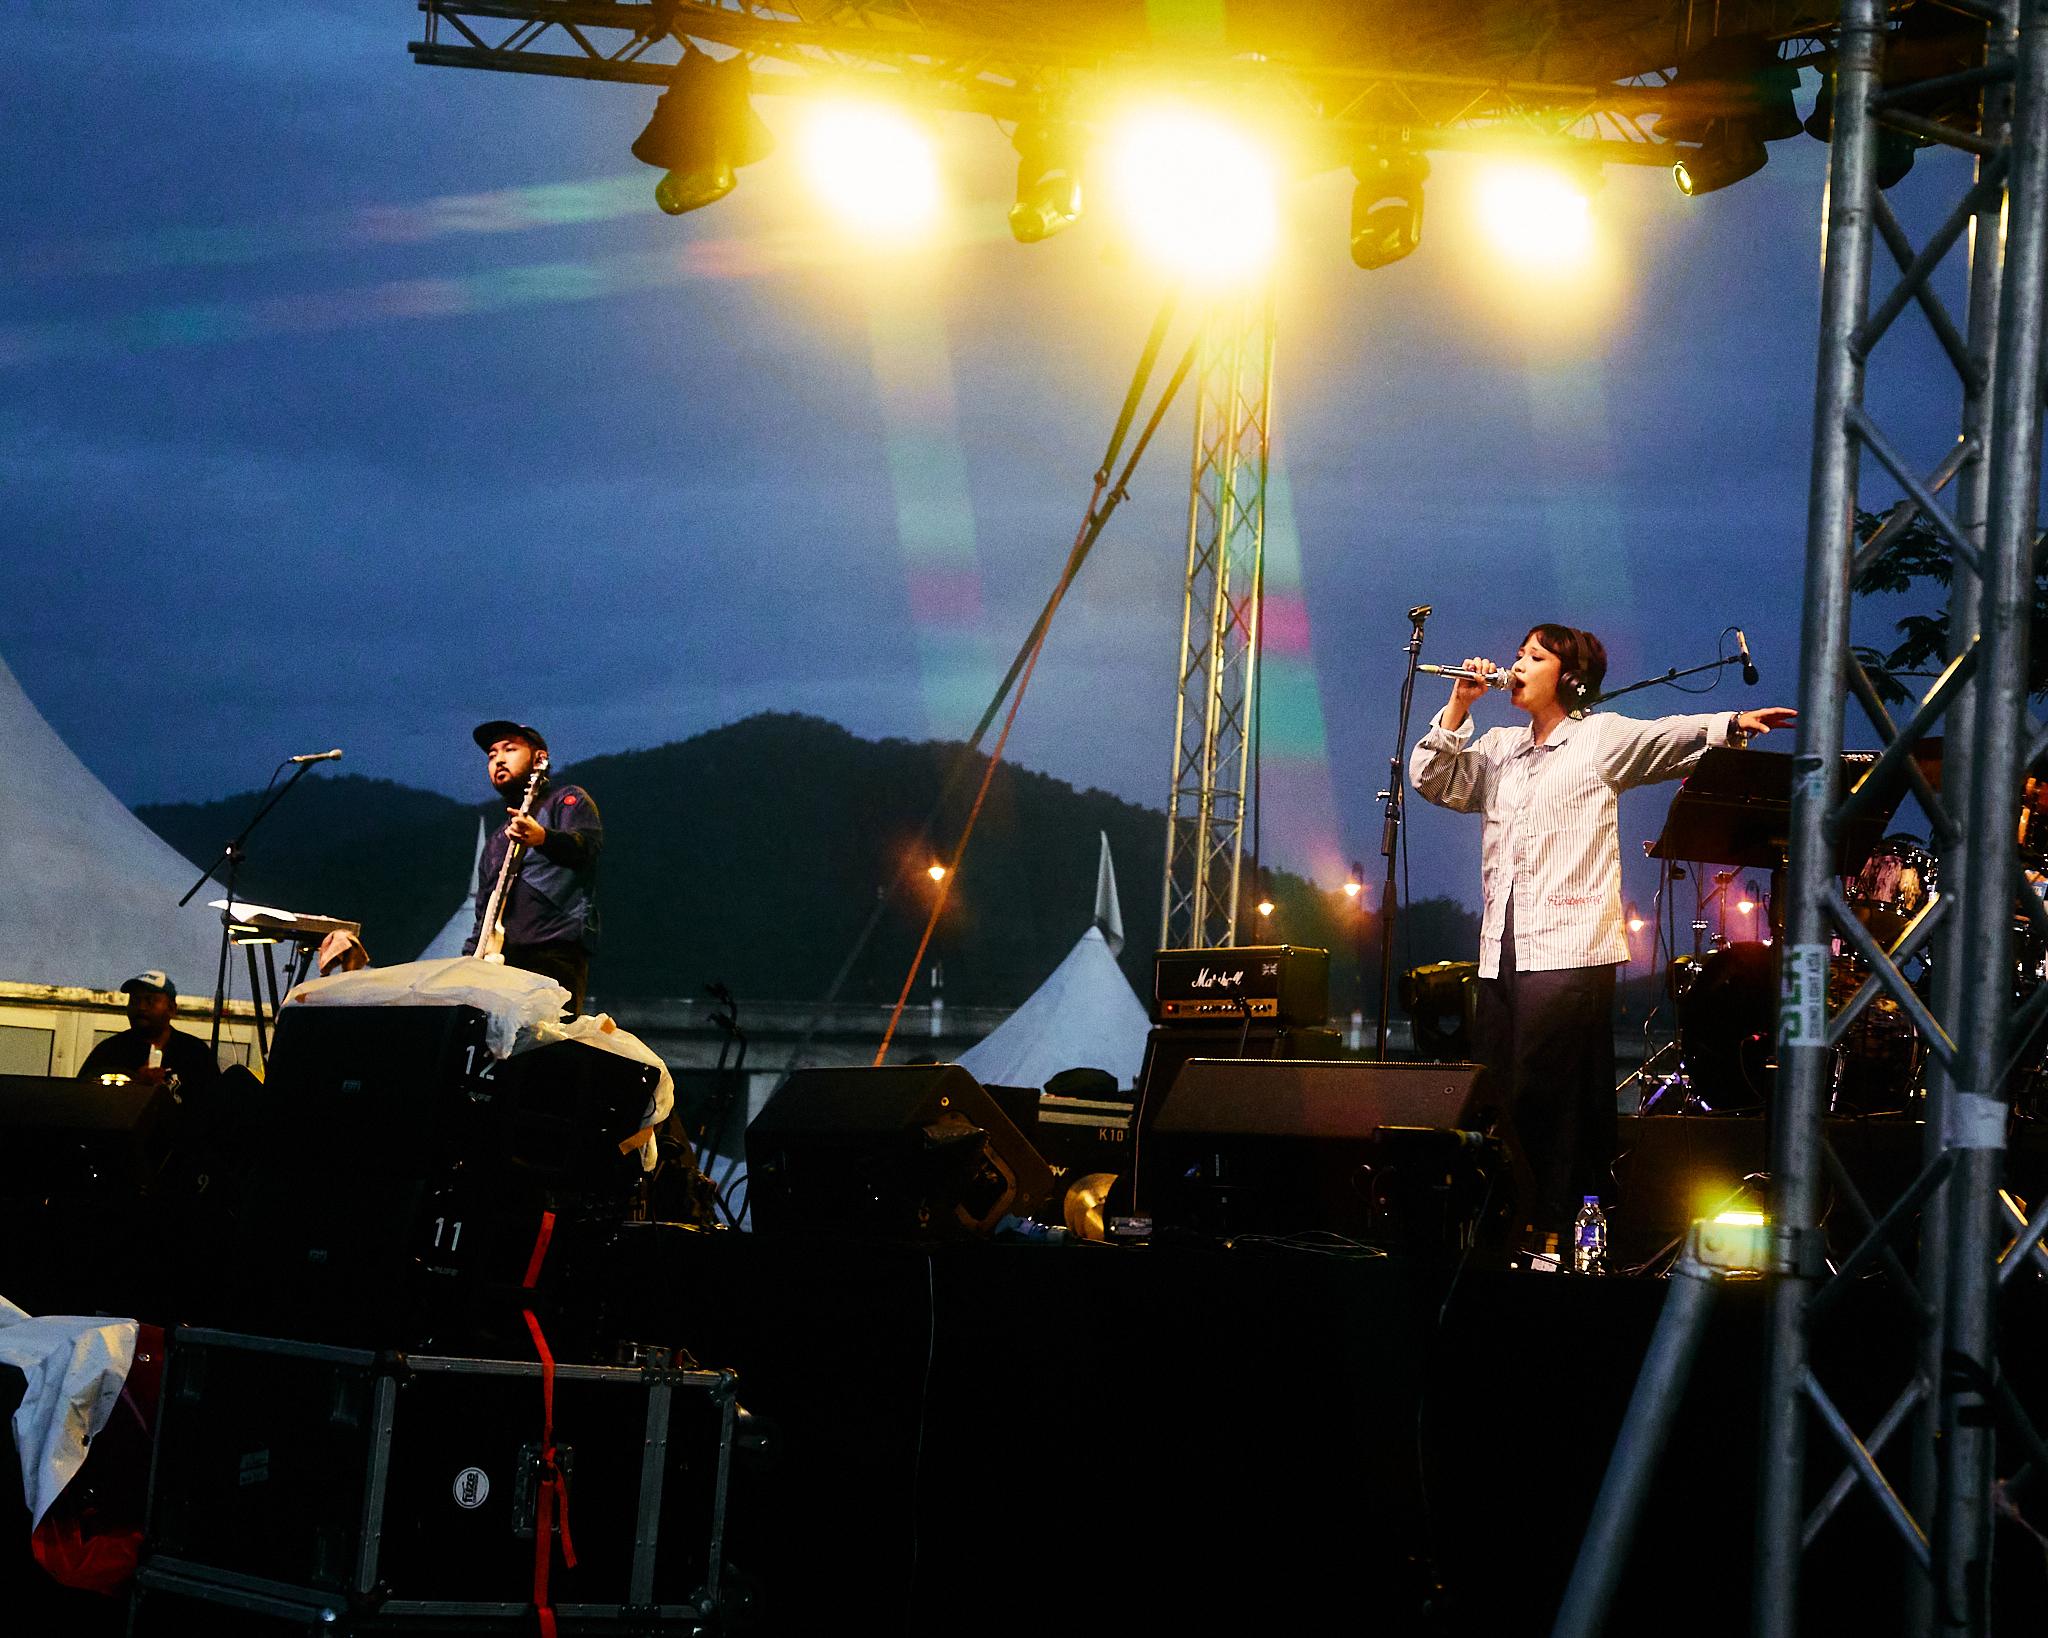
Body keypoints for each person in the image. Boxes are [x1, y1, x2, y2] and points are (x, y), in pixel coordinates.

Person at [1409, 624, 1796, 1260]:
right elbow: (1431, 779)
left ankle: (1554, 1228)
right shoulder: (1499, 748)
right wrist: (1458, 705)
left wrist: (1731, 723)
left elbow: (1663, 736)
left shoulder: (1597, 738)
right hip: (1503, 944)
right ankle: (1505, 1224)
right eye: (1518, 655)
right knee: (1498, 1087)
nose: (1516, 664)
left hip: (1570, 946)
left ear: (1568, 677)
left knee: (1549, 1093)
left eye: (1535, 656)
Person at [462, 720, 603, 1013]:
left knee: (546, 1038)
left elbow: (586, 848)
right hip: (503, 962)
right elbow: (484, 914)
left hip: (554, 953)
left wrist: (543, 838)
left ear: (540, 759)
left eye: (509, 749)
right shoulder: (496, 842)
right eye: (491, 754)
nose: (498, 759)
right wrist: (468, 963)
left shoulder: (567, 801)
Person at [77, 970, 221, 1099]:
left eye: (149, 1000)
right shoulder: (109, 1051)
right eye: (135, 1001)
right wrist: (137, 1085)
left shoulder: (194, 1053)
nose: (141, 1007)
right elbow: (81, 1098)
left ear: (171, 1008)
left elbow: (212, 1108)